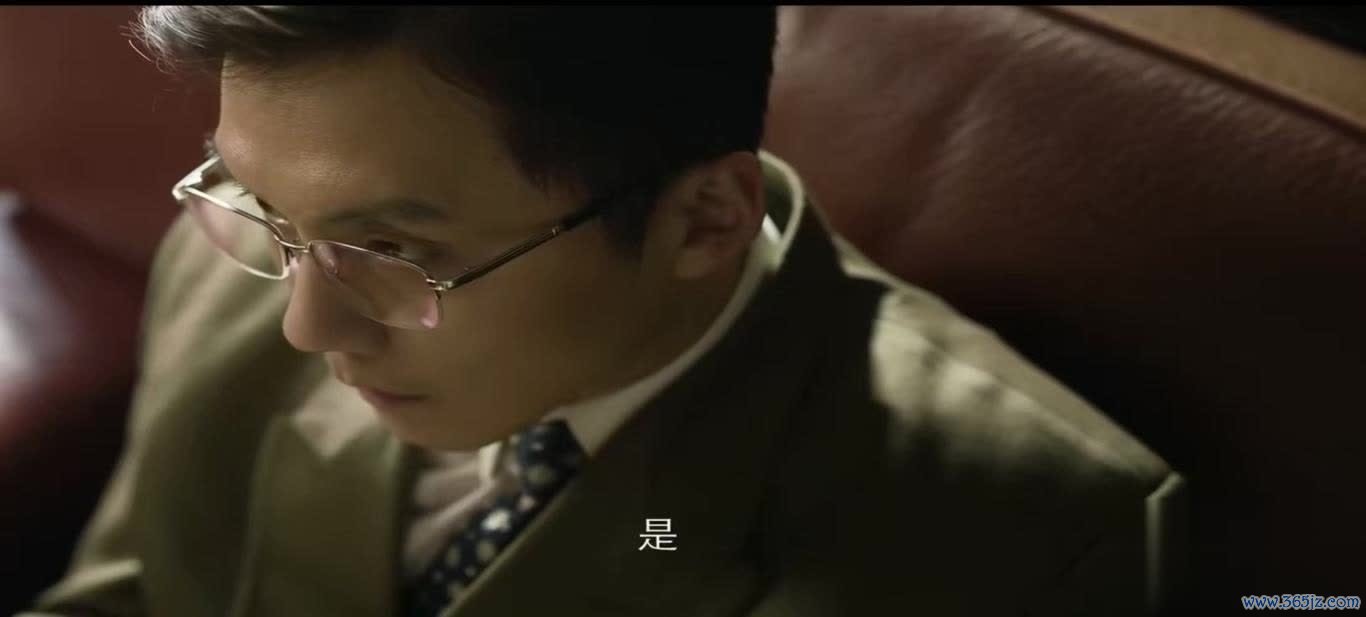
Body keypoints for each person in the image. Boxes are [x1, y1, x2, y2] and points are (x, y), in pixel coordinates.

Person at [21, 6, 1185, 617]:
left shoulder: (1025, 539)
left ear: (703, 221)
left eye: (394, 249)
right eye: (266, 204)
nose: (305, 326)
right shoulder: (241, 261)